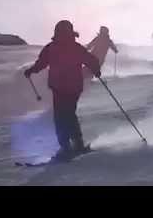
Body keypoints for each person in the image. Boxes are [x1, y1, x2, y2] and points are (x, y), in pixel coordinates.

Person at [24, 20, 101, 161]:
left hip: (69, 87)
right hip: (60, 87)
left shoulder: (65, 48)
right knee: (65, 116)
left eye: (63, 32)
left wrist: (96, 69)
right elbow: (41, 63)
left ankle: (70, 146)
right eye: (61, 32)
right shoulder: (60, 48)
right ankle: (72, 145)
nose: (62, 35)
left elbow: (91, 60)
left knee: (64, 116)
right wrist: (32, 70)